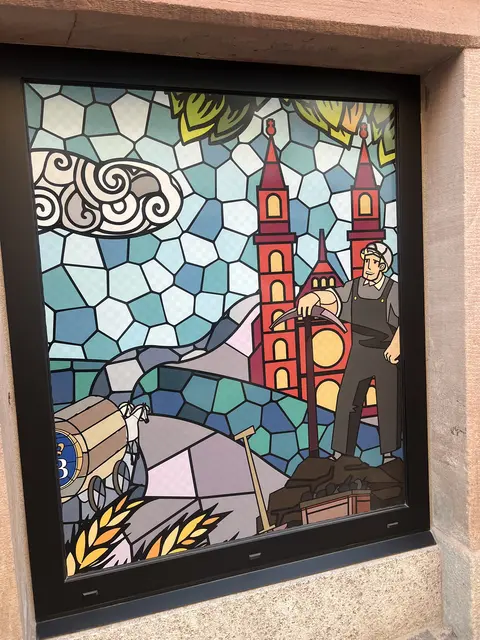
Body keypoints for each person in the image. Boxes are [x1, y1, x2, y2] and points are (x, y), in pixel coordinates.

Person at [297, 242, 400, 464]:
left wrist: (397, 345)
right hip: (359, 352)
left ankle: (389, 454)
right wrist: (314, 297)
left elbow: (407, 320)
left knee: (388, 402)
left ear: (383, 266)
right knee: (347, 400)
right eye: (367, 261)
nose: (368, 266)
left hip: (385, 354)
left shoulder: (393, 290)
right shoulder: (354, 287)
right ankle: (341, 452)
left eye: (374, 262)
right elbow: (334, 297)